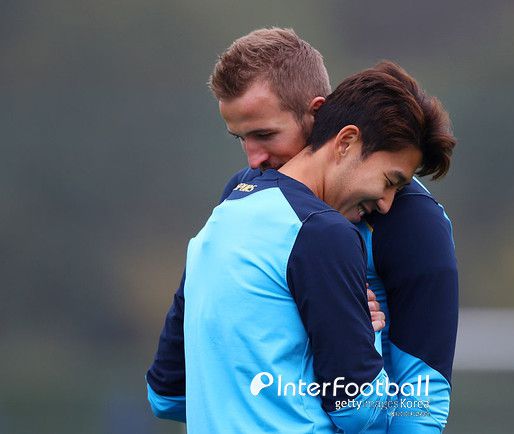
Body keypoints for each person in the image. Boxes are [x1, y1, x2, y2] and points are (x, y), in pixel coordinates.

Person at [147, 28, 457, 433]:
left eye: (265, 134)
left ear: (318, 116)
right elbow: (186, 387)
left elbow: (421, 404)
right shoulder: (249, 196)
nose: (254, 159)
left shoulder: (412, 221)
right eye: (241, 138)